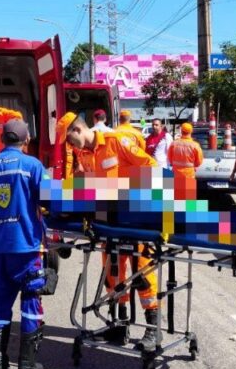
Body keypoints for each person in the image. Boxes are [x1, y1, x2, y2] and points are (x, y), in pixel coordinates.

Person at [56, 111, 161, 350]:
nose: (70, 146)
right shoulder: (83, 154)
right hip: (107, 222)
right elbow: (86, 183)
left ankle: (153, 329)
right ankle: (119, 326)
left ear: (77, 130)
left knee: (141, 274)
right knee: (113, 275)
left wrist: (128, 194)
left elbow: (151, 166)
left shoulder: (116, 142)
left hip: (133, 218)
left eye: (70, 140)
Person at [0, 119, 47, 369]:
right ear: (26, 139)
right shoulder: (32, 165)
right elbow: (52, 199)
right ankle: (26, 366)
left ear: (2, 140)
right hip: (26, 247)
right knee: (30, 301)